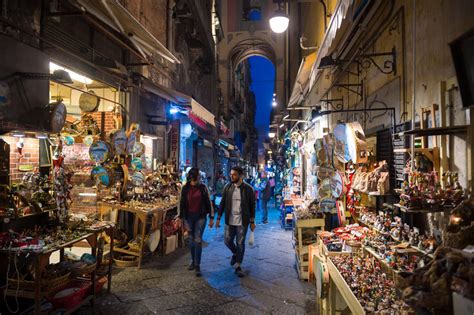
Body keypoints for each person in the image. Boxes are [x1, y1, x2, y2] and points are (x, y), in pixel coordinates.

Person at [216, 166, 256, 277]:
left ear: (240, 175)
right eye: (231, 174)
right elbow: (222, 203)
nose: (231, 176)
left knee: (240, 243)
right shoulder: (227, 188)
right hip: (230, 220)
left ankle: (238, 265)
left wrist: (252, 221)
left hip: (243, 221)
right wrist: (218, 217)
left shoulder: (248, 189)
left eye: (234, 174)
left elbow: (252, 206)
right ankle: (235, 253)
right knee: (227, 241)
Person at [178, 168, 214, 277]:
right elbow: (181, 202)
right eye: (198, 175)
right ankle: (193, 262)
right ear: (194, 176)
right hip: (188, 217)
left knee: (197, 240)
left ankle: (197, 265)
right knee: (191, 240)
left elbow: (208, 201)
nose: (199, 177)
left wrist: (212, 217)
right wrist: (180, 217)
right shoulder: (185, 188)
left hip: (200, 217)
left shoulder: (203, 188)